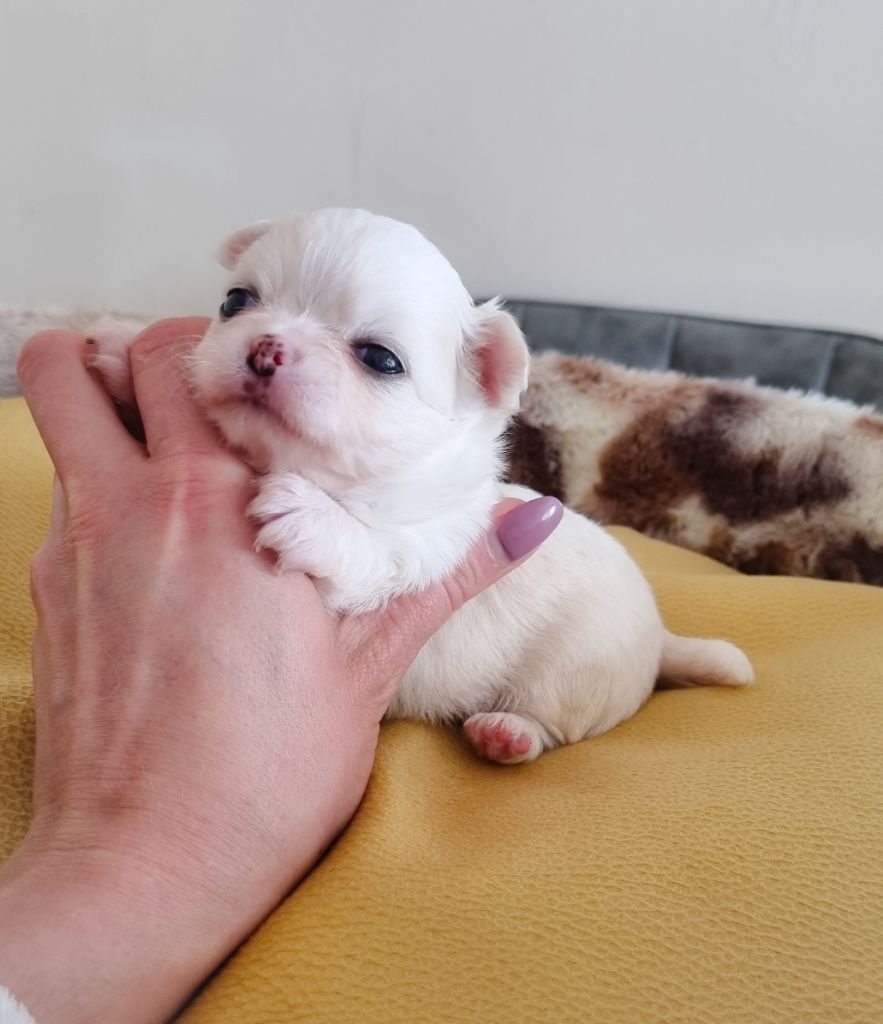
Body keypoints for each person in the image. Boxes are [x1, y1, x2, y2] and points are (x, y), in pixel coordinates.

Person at [0, 320, 562, 1024]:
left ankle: (546, 721)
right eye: (243, 300)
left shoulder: (435, 492)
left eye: (378, 358)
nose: (271, 344)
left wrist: (131, 847)